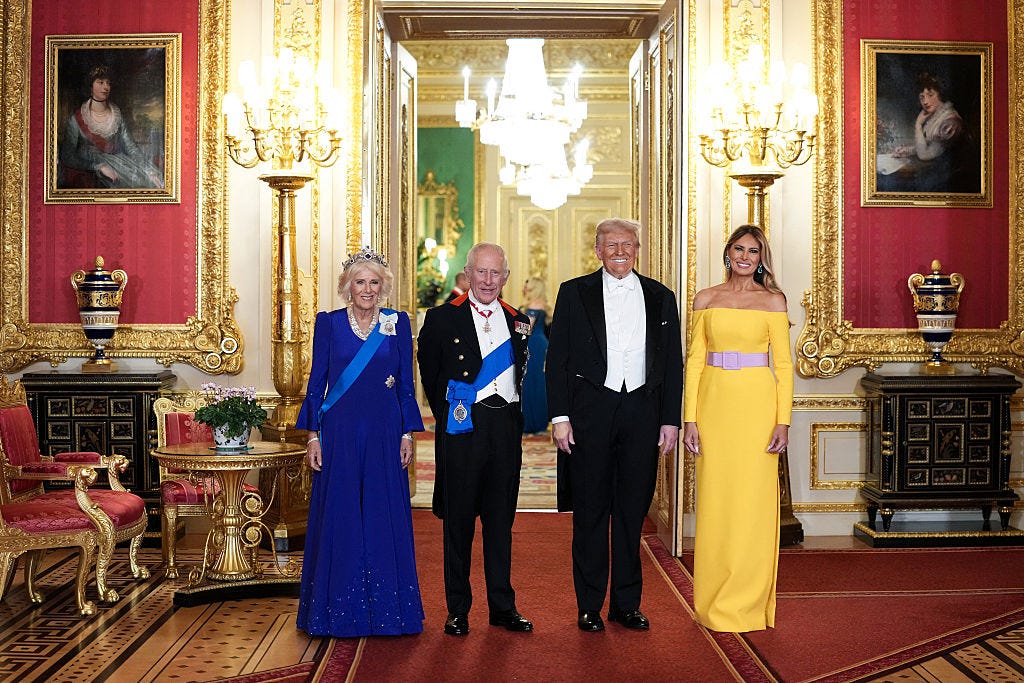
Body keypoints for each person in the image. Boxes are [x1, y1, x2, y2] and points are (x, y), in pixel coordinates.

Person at [546, 217, 683, 633]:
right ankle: (589, 605)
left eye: (627, 244)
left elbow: (671, 364)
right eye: (611, 245)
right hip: (590, 413)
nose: (620, 252)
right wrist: (560, 417)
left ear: (638, 250)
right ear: (598, 250)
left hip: (643, 412)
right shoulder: (574, 292)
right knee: (590, 512)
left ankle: (626, 604)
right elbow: (558, 359)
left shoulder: (661, 296)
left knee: (631, 513)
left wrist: (670, 419)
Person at [294, 247, 425, 638]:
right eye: (360, 282)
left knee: (383, 515)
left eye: (374, 282)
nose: (367, 289)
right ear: (347, 286)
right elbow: (317, 383)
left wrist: (407, 433)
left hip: (385, 432)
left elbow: (406, 385)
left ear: (383, 286)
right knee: (342, 515)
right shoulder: (329, 323)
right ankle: (337, 612)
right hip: (341, 433)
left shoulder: (396, 322)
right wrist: (313, 436)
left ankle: (388, 612)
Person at [417, 242, 534, 637]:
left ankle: (503, 607)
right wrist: (454, 414)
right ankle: (458, 609)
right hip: (463, 428)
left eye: (495, 273)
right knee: (460, 522)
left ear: (506, 277)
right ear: (467, 274)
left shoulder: (519, 321)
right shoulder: (441, 318)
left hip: (505, 427)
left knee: (501, 522)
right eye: (480, 272)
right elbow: (430, 374)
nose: (487, 280)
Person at [682, 224, 794, 633]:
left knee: (752, 505)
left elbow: (784, 365)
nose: (745, 257)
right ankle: (712, 604)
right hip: (714, 407)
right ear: (728, 252)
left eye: (754, 251)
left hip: (757, 409)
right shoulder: (706, 298)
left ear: (761, 258)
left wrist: (783, 421)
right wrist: (690, 418)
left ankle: (748, 604)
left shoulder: (774, 301)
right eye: (739, 249)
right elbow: (695, 361)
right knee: (717, 504)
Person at [58, 66, 164, 190]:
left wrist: (149, 170)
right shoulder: (77, 118)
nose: (106, 87)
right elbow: (67, 155)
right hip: (92, 166)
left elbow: (131, 147)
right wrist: (98, 166)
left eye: (108, 83)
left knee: (150, 182)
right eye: (100, 82)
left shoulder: (116, 114)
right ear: (90, 87)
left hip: (119, 162)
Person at [877, 72, 974, 193]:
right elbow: (929, 143)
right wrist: (908, 151)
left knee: (893, 182)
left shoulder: (950, 122)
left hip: (946, 178)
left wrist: (918, 125)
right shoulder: (937, 116)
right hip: (934, 171)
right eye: (922, 97)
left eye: (930, 95)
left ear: (940, 95)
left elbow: (925, 155)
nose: (925, 101)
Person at [520, 276, 550, 435]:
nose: (524, 288)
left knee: (528, 382)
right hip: (541, 344)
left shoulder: (532, 305)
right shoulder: (544, 305)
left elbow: (525, 329)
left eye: (527, 285)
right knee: (539, 383)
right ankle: (539, 422)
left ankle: (529, 422)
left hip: (532, 345)